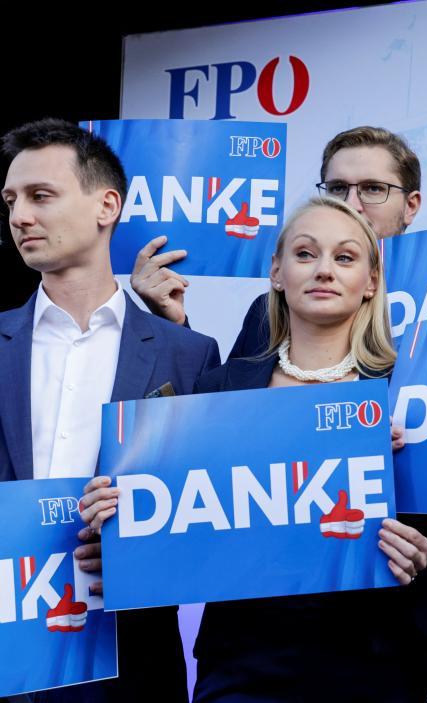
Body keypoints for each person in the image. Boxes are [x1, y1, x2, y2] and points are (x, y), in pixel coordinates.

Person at [81, 195, 427, 702]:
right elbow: (173, 523)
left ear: (372, 282)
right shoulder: (219, 392)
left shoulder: (412, 393)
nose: (324, 271)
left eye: (345, 257)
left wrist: (421, 556)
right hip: (242, 665)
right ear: (276, 271)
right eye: (305, 254)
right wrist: (116, 519)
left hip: (372, 662)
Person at [0, 118, 220, 702]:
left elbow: (212, 515)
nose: (20, 215)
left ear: (106, 206)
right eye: (11, 200)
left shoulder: (188, 353)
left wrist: (139, 539)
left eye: (40, 196)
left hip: (133, 658)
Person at [130, 125, 423, 357]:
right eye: (337, 188)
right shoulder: (271, 311)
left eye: (373, 189)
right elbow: (227, 410)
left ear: (411, 206)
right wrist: (175, 325)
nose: (351, 205)